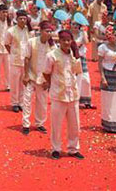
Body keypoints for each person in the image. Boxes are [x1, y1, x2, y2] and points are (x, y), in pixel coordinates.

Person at [43, 29, 84, 160]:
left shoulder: (74, 54)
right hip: (58, 94)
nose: (66, 42)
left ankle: (73, 148)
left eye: (68, 40)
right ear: (59, 41)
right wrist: (52, 85)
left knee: (75, 124)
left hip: (72, 94)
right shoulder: (52, 55)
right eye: (64, 40)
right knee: (56, 124)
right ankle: (56, 148)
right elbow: (46, 72)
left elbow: (77, 71)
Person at [22, 20, 53, 135]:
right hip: (30, 75)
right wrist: (25, 75)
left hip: (43, 78)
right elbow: (26, 58)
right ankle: (26, 124)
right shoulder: (32, 42)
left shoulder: (52, 46)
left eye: (50, 31)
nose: (49, 33)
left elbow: (52, 65)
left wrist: (48, 81)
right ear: (40, 31)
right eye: (46, 31)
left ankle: (40, 123)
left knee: (42, 102)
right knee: (27, 100)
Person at [97, 27, 116, 133]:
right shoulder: (103, 47)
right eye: (113, 34)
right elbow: (100, 63)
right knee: (109, 98)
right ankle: (109, 121)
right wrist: (102, 77)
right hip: (108, 73)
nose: (115, 36)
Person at [5, 10, 30, 112]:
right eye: (20, 19)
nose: (23, 20)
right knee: (14, 83)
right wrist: (12, 54)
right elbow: (6, 43)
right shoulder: (11, 31)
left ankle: (21, 102)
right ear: (17, 19)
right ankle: (14, 102)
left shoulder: (28, 30)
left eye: (24, 19)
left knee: (23, 83)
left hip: (26, 60)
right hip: (15, 60)